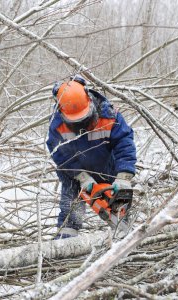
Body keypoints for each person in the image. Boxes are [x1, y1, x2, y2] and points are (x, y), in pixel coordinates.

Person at [46, 75, 136, 239]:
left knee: (119, 204)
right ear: (62, 111)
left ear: (89, 100)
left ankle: (125, 237)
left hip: (108, 168)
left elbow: (124, 142)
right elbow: (58, 153)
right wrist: (80, 176)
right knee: (71, 208)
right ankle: (65, 240)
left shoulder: (108, 115)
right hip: (75, 171)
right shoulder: (58, 125)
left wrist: (124, 175)